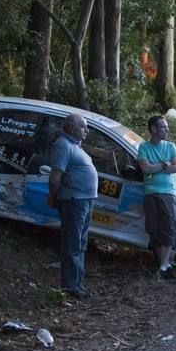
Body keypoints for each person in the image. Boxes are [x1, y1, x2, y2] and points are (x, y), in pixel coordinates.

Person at [48, 114, 98, 299]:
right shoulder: (63, 145)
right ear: (71, 128)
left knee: (80, 243)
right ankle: (70, 286)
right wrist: (53, 196)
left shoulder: (75, 146)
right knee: (72, 243)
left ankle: (78, 283)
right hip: (73, 200)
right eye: (83, 127)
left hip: (84, 200)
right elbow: (55, 178)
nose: (86, 130)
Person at [137, 115, 176, 280]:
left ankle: (163, 266)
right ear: (153, 129)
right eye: (163, 127)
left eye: (167, 126)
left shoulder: (171, 147)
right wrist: (164, 165)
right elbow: (145, 169)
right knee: (154, 228)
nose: (167, 129)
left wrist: (155, 167)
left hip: (168, 192)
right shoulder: (144, 147)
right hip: (150, 192)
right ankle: (166, 266)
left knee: (169, 227)